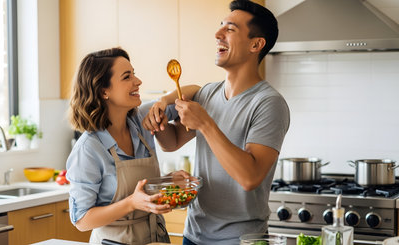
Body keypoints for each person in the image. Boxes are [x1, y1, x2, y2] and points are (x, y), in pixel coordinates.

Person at [142, 0, 290, 244]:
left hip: (240, 239)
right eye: (220, 26)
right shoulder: (209, 94)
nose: (217, 34)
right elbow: (173, 142)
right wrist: (158, 121)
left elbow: (250, 177)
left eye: (230, 29)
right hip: (195, 234)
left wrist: (206, 124)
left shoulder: (269, 103)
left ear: (256, 44)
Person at [66, 47, 198, 245]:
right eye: (127, 77)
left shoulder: (141, 119)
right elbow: (82, 220)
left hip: (155, 238)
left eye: (134, 74)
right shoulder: (89, 149)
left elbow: (197, 92)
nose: (138, 81)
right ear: (104, 91)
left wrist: (164, 183)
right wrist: (131, 203)